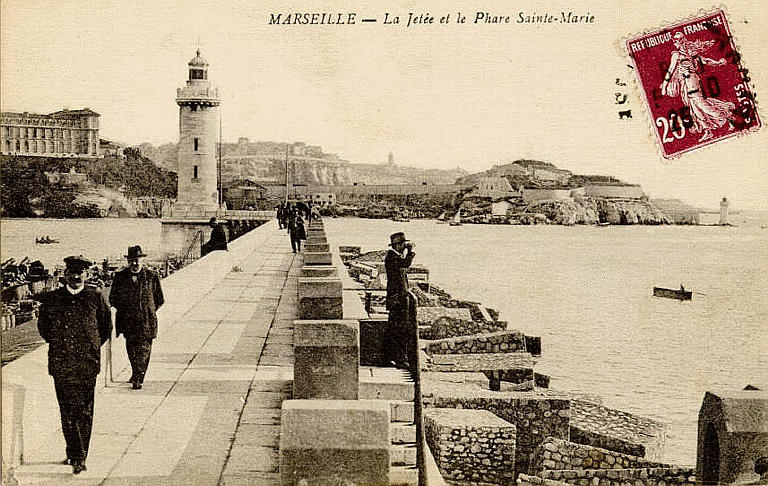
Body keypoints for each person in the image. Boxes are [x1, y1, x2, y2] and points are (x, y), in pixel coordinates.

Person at [37, 255, 112, 474]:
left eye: (80, 273)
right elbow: (44, 329)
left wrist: (89, 347)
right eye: (72, 273)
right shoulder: (53, 299)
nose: (76, 277)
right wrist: (60, 345)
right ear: (65, 275)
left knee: (85, 411)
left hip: (87, 364)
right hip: (61, 364)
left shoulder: (95, 298)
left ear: (86, 275)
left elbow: (105, 328)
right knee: (67, 410)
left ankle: (79, 455)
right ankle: (74, 452)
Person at [660, 31, 735, 142]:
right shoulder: (683, 53)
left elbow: (671, 70)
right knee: (693, 108)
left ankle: (729, 118)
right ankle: (707, 131)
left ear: (681, 41)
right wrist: (718, 63)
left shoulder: (681, 54)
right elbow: (705, 61)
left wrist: (664, 87)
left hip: (691, 81)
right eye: (674, 40)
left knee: (701, 104)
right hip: (685, 83)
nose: (674, 43)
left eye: (676, 41)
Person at [109, 246, 165, 390]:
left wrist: (148, 310)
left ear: (142, 260)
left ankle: (139, 377)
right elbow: (113, 298)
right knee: (132, 349)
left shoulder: (151, 276)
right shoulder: (120, 277)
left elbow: (159, 299)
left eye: (137, 260)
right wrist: (126, 309)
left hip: (146, 321)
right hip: (128, 321)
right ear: (128, 261)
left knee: (144, 350)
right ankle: (136, 372)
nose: (134, 263)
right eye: (132, 260)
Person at [384, 232, 417, 371]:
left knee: (397, 330)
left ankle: (395, 358)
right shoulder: (392, 257)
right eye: (403, 245)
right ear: (397, 246)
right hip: (397, 301)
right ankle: (399, 359)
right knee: (399, 331)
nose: (405, 248)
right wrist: (411, 251)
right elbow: (406, 263)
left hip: (398, 299)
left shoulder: (394, 257)